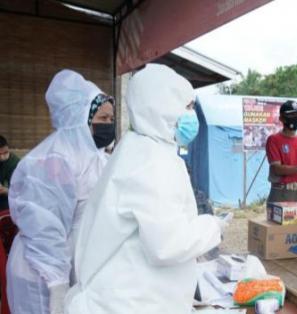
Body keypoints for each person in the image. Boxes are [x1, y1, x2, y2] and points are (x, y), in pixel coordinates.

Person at [65, 64, 225, 314]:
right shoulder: (153, 162)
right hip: (131, 302)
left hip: (127, 294)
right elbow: (167, 245)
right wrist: (213, 226)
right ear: (162, 108)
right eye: (187, 107)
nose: (191, 116)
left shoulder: (138, 148)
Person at [6, 70, 112, 314]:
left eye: (110, 119)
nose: (109, 125)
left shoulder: (93, 156)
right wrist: (57, 285)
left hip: (67, 267)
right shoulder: (54, 159)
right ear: (79, 116)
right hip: (40, 274)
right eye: (103, 118)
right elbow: (44, 227)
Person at [0, 135, 20, 210]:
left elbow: (19, 190)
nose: (2, 157)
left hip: (7, 198)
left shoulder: (14, 163)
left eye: (5, 152)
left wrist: (6, 190)